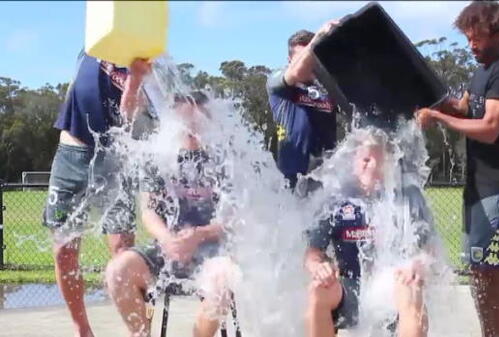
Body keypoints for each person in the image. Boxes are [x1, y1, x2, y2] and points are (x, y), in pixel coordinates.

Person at [416, 2, 499, 336]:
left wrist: (438, 118)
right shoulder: (481, 72)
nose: (471, 45)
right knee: (479, 270)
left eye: (477, 38)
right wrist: (423, 89)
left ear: (498, 33)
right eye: (468, 38)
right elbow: (462, 107)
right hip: (479, 187)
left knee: (493, 271)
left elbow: (490, 127)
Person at [105, 91, 237, 337]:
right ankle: (140, 334)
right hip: (168, 247)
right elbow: (149, 211)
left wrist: (198, 235)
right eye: (185, 118)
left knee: (221, 279)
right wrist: (168, 240)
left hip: (214, 250)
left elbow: (233, 218)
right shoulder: (161, 157)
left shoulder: (224, 158)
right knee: (118, 271)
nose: (191, 125)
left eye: (197, 118)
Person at [42, 49, 151, 337]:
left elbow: (130, 119)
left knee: (122, 253)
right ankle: (82, 330)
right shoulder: (95, 41)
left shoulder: (144, 55)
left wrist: (136, 78)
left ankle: (139, 330)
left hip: (114, 160)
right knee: (63, 249)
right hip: (71, 154)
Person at [304, 131, 432, 337]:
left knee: (412, 292)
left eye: (379, 162)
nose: (372, 166)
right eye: (366, 159)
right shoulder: (336, 199)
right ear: (354, 160)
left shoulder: (407, 198)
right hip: (349, 287)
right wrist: (319, 267)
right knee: (316, 291)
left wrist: (419, 264)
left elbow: (429, 248)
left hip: (391, 283)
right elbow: (312, 252)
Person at [266, 21, 340, 189]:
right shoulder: (278, 82)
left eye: (312, 57)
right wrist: (319, 38)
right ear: (289, 59)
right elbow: (297, 72)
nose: (308, 62)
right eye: (301, 57)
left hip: (326, 182)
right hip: (290, 181)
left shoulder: (329, 85)